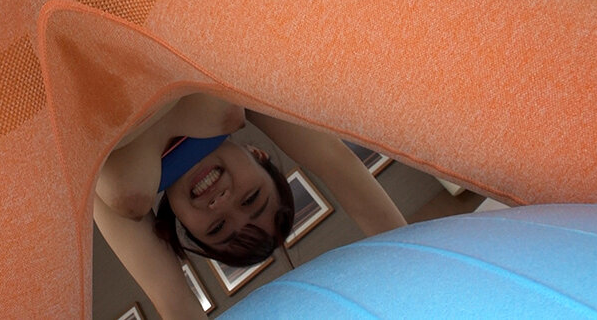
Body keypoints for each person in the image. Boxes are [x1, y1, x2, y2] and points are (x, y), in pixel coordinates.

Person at [94, 93, 406, 319]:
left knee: (129, 200)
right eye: (251, 199)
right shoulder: (232, 104)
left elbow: (174, 303)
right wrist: (409, 267)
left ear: (183, 225)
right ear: (258, 154)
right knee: (228, 108)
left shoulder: (132, 197)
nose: (222, 203)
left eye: (218, 227)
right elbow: (336, 164)